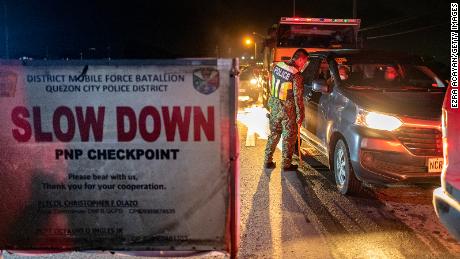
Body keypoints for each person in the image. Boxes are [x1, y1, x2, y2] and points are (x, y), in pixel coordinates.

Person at [264, 49, 308, 171]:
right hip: (287, 110)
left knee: (274, 133)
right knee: (289, 137)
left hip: (274, 105)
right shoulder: (296, 75)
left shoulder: (278, 66)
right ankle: (286, 164)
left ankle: (267, 160)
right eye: (304, 61)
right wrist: (300, 116)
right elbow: (298, 97)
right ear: (299, 59)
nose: (304, 64)